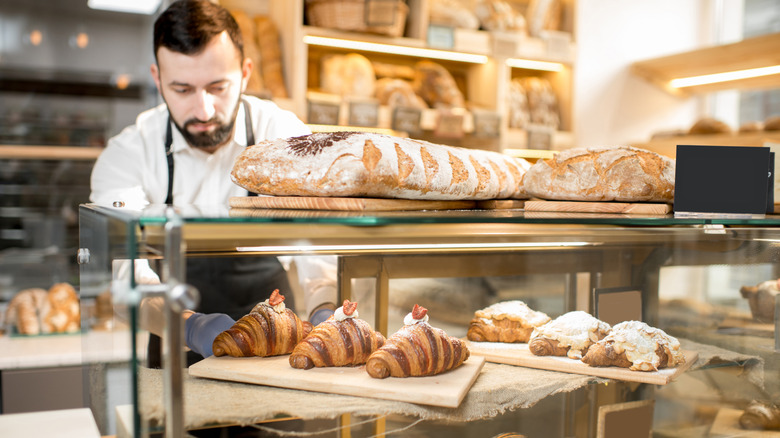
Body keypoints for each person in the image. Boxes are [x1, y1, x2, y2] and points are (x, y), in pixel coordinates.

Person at [90, 0, 335, 366]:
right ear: (158, 80)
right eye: (182, 90)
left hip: (278, 343)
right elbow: (127, 273)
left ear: (246, 73)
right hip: (176, 343)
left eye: (218, 87)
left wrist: (325, 312)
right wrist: (192, 328)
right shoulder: (130, 152)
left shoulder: (285, 137)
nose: (203, 111)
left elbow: (320, 245)